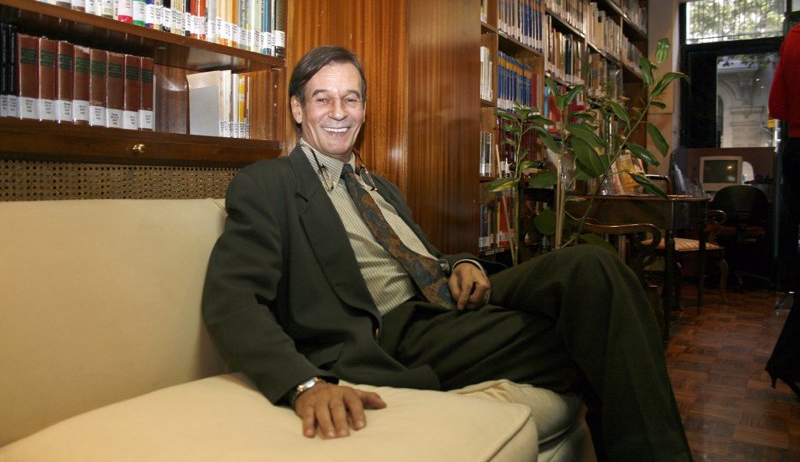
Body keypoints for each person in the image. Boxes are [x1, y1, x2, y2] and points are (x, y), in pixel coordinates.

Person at [202, 45, 692, 461]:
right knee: (608, 332)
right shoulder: (268, 184)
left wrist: (463, 263)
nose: (338, 112)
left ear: (364, 110)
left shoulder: (381, 188)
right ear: (297, 109)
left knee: (592, 266)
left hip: (448, 301)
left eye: (351, 99)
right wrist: (303, 383)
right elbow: (232, 300)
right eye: (322, 98)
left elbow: (426, 257)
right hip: (394, 330)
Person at [766, 23, 800, 398]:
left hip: (796, 148)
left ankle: (788, 360)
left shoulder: (793, 38)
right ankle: (789, 360)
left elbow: (777, 107)